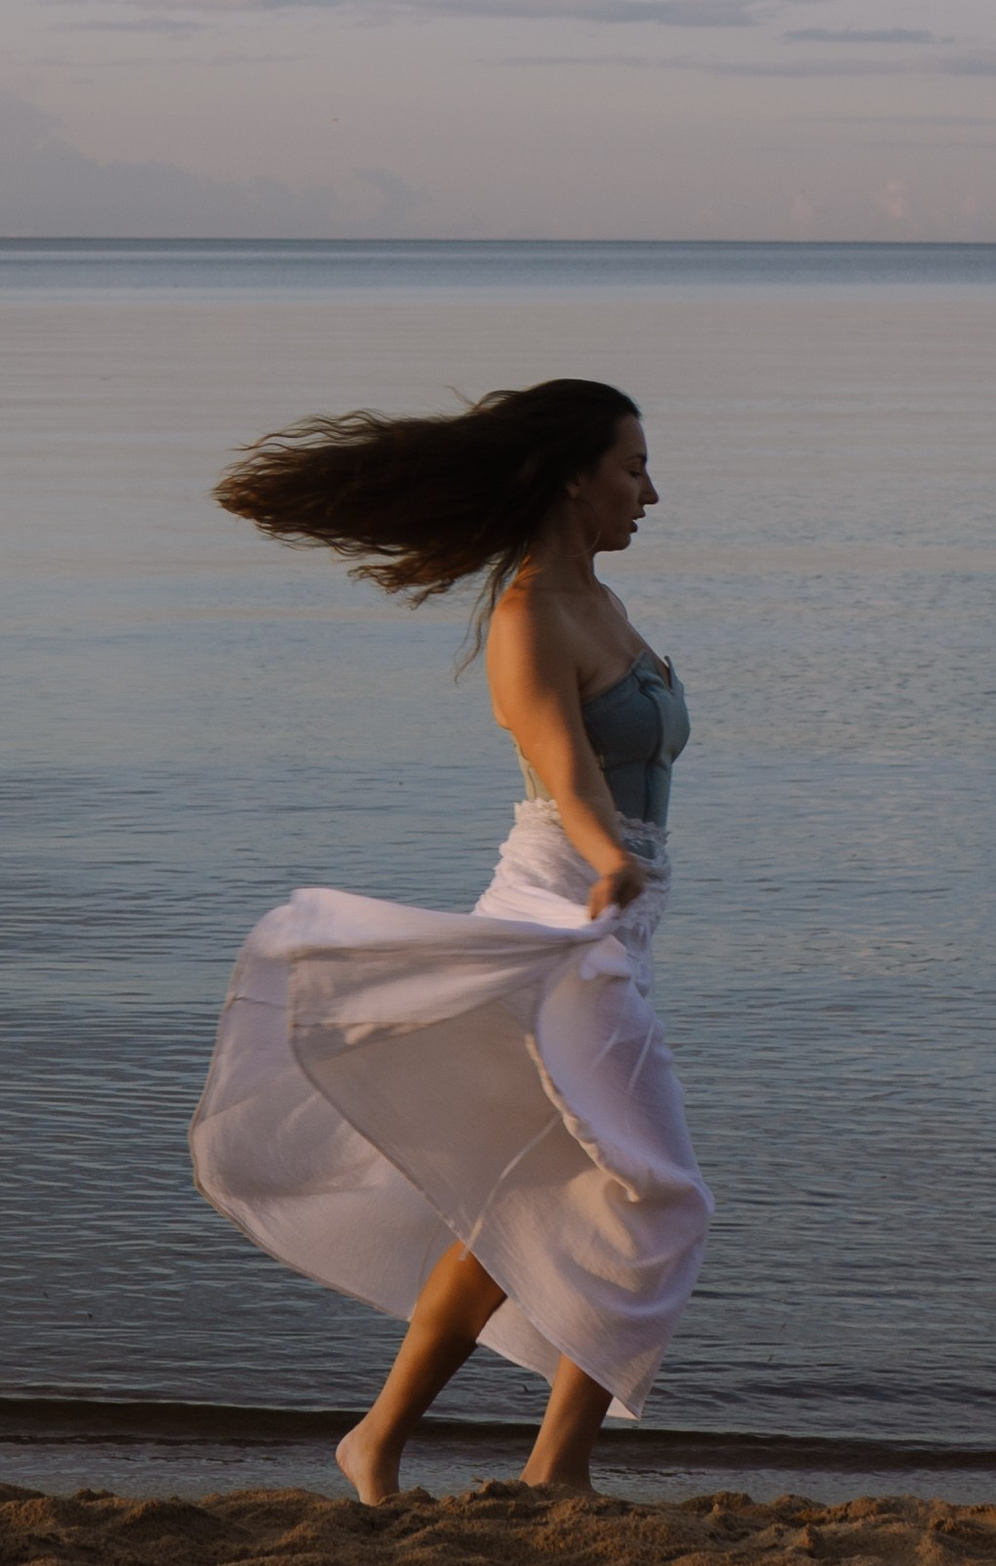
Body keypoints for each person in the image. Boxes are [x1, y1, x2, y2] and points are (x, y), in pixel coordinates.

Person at [190, 379, 712, 1501]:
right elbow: (564, 768)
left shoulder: (606, 604)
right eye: (633, 468)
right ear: (576, 475)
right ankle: (555, 1468)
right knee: (659, 1196)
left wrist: (626, 875)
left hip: (615, 928)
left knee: (526, 1197)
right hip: (562, 927)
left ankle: (381, 1443)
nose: (651, 492)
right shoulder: (527, 616)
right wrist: (607, 855)